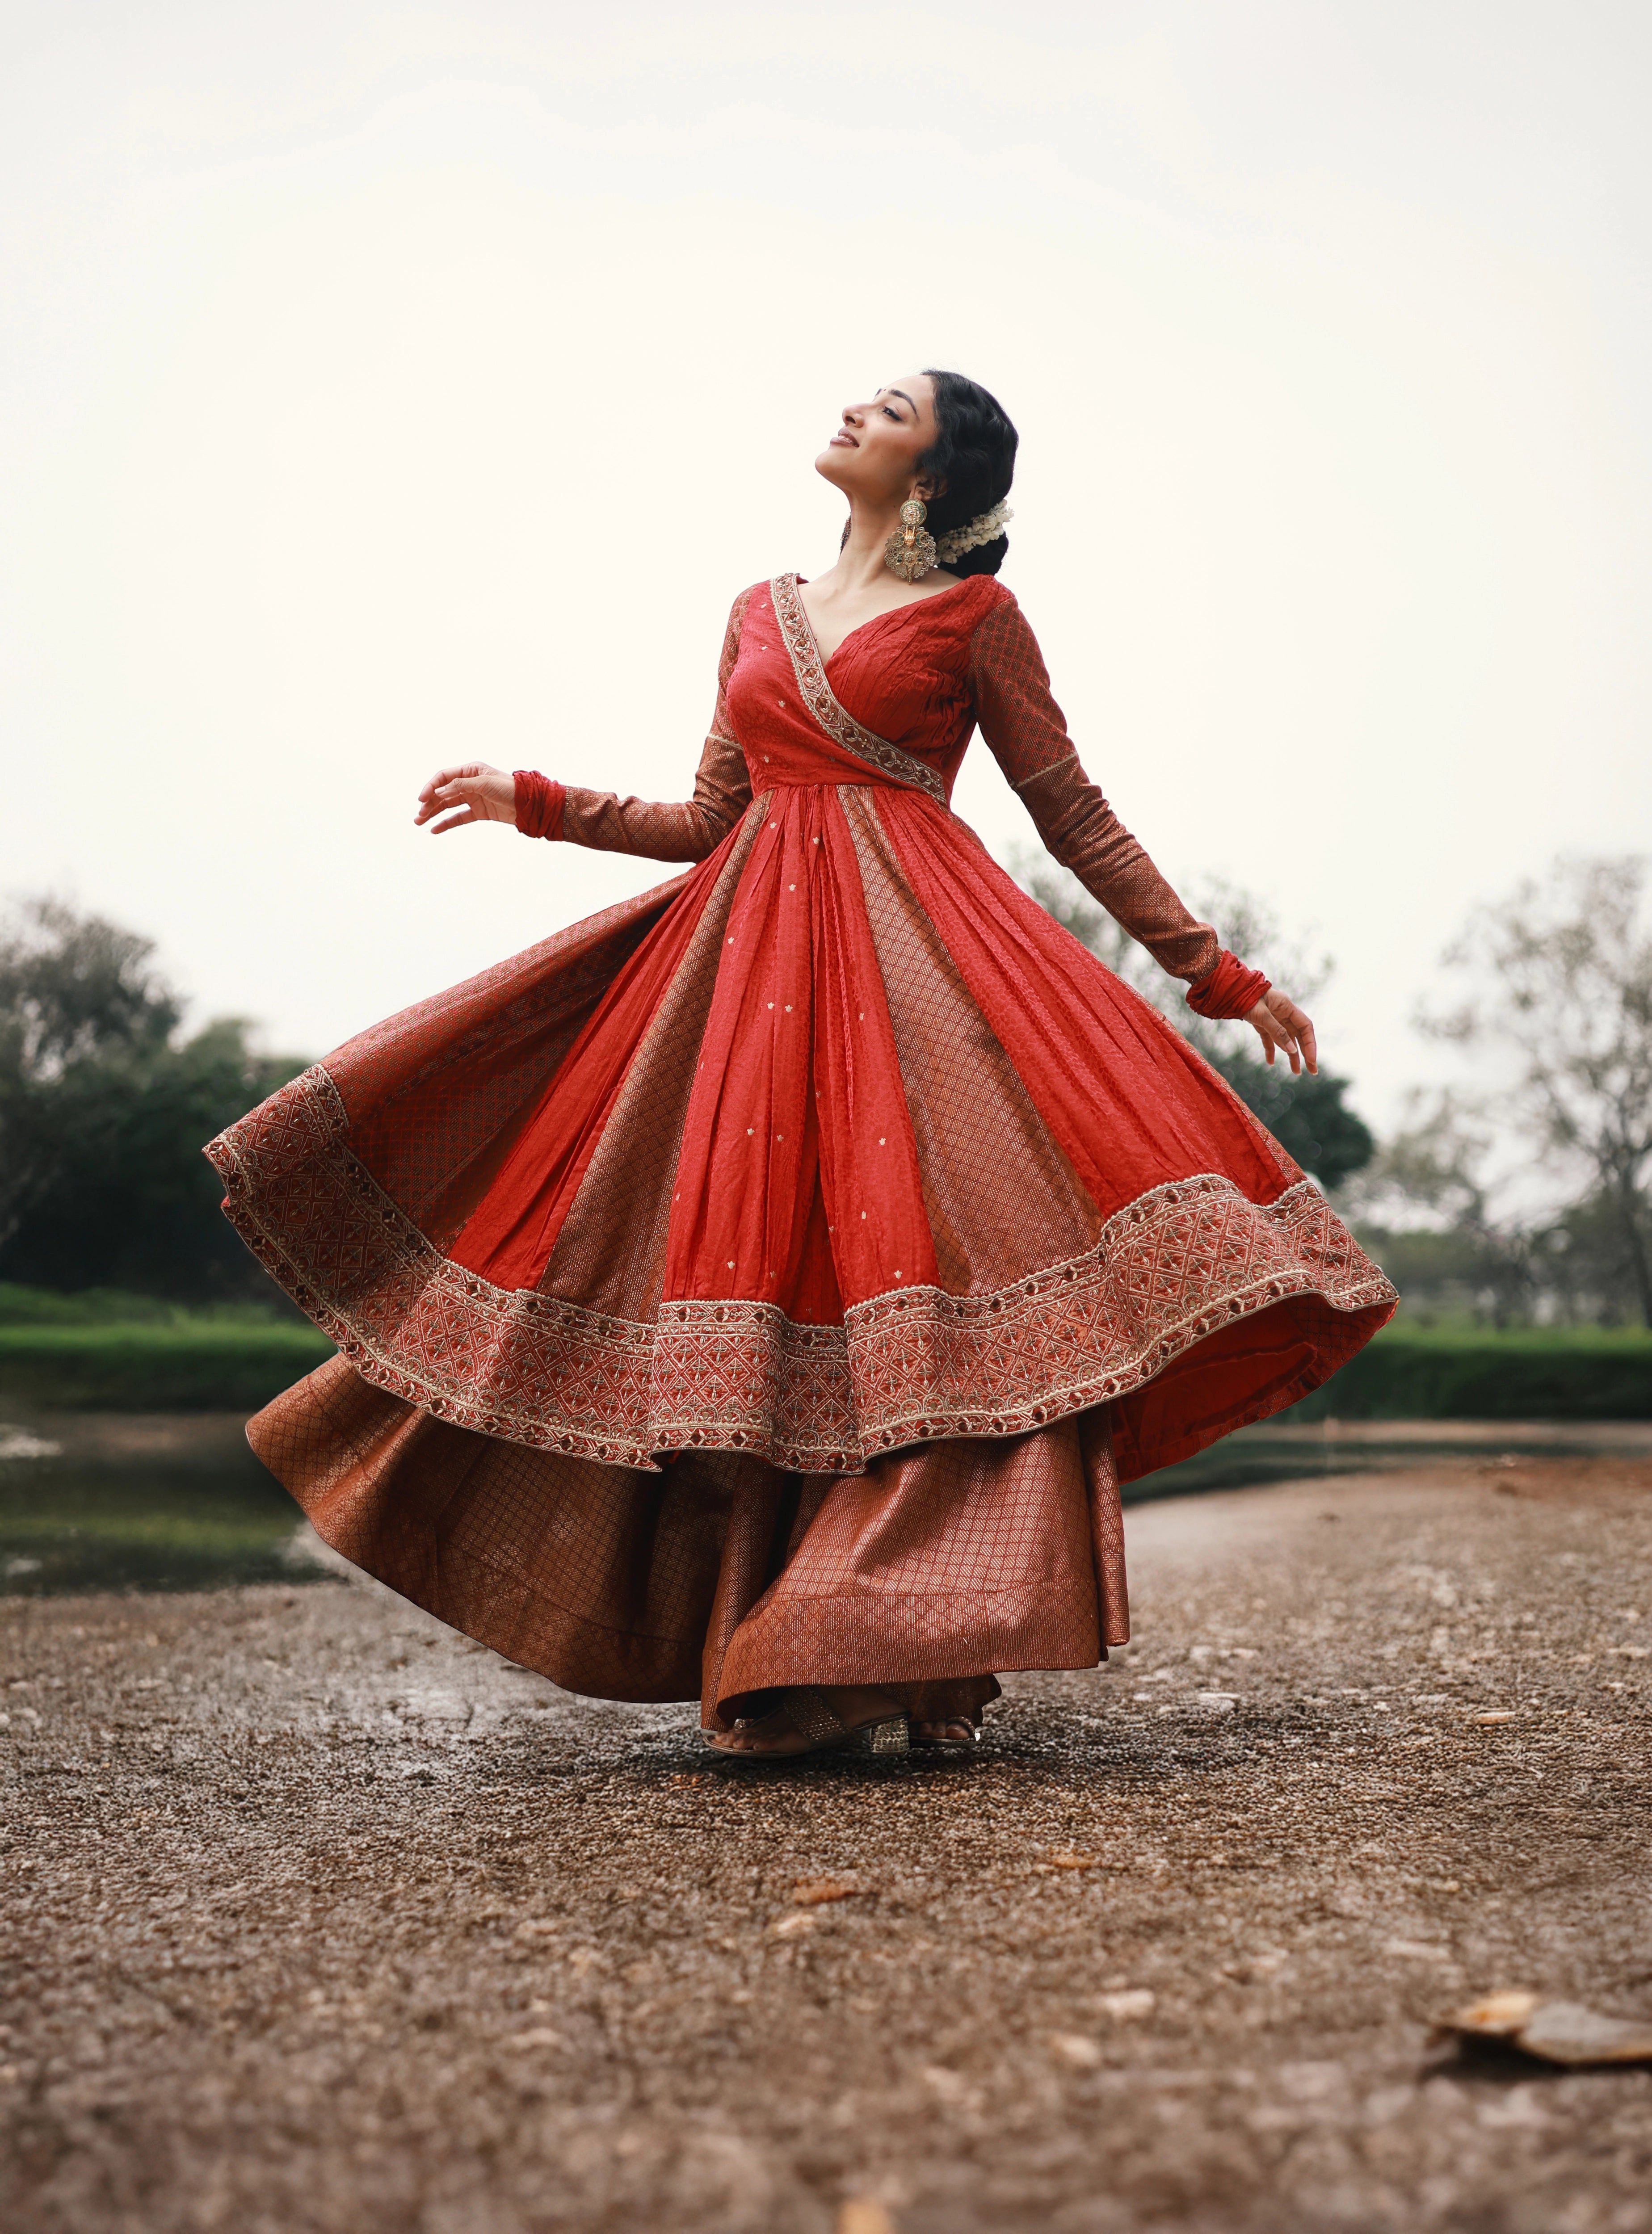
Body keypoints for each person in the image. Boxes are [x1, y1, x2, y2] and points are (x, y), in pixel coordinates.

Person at [208, 369, 1395, 1762]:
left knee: (944, 1275)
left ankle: (896, 1642)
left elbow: (1070, 812)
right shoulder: (755, 611)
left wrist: (1217, 975)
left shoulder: (976, 619)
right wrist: (535, 801)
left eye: (889, 410)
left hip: (922, 969)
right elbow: (708, 817)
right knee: (746, 1281)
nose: (851, 413)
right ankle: (775, 1633)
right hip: (754, 985)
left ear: (934, 474)